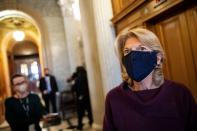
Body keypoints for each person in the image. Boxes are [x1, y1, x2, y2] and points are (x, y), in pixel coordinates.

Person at [103, 28, 197, 131]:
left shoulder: (180, 94)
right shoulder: (114, 98)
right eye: (127, 51)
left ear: (157, 58)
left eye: (142, 49)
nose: (133, 56)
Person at [67, 66, 93, 130]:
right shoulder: (87, 76)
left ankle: (80, 125)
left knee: (80, 113)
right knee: (89, 111)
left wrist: (72, 83)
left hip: (80, 98)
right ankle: (91, 122)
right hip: (88, 97)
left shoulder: (77, 79)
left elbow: (73, 89)